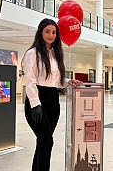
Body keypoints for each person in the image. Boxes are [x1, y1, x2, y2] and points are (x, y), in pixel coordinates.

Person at [22, 18, 82, 171]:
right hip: (37, 103)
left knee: (42, 142)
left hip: (53, 102)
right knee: (47, 142)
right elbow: (31, 82)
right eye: (47, 31)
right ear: (40, 32)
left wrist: (68, 81)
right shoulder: (32, 54)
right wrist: (36, 105)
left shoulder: (55, 55)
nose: (51, 35)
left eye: (54, 32)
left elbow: (55, 81)